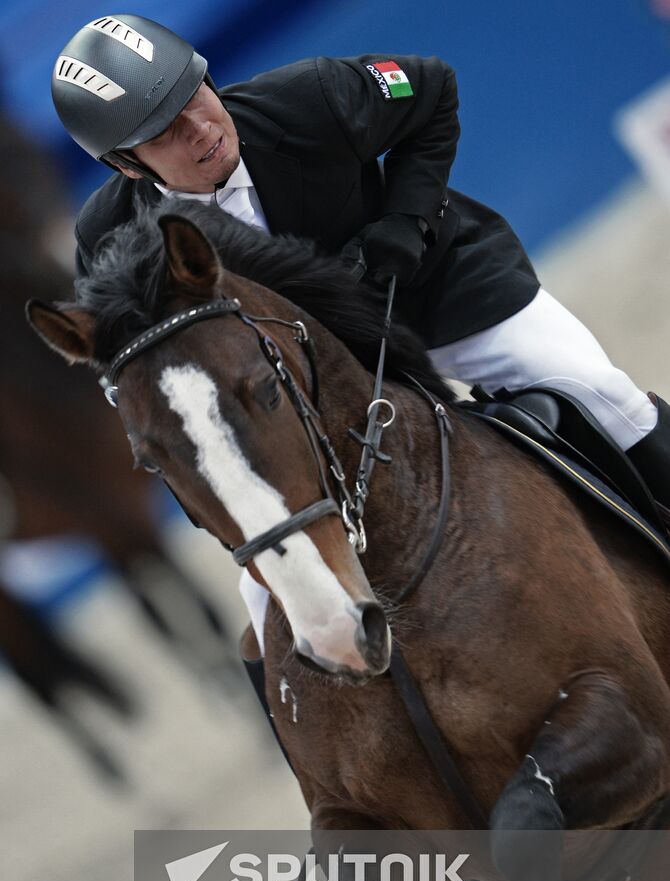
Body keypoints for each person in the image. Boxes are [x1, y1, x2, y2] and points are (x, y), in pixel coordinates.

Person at [52, 15, 670, 651]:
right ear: (128, 166)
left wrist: (406, 219)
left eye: (195, 98)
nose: (202, 129)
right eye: (166, 132)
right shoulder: (110, 239)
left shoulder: (311, 96)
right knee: (262, 612)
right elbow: (124, 361)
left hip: (433, 295)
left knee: (601, 393)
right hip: (316, 383)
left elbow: (432, 90)